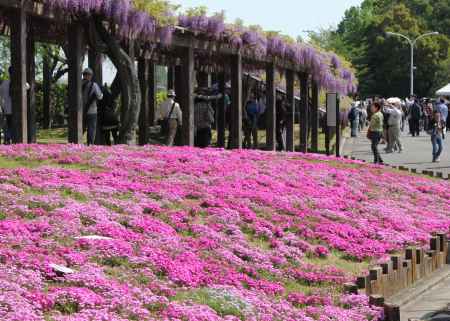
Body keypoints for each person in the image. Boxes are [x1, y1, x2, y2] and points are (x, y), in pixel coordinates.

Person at [82, 68, 103, 146]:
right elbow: (100, 96)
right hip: (92, 110)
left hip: (80, 111)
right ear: (90, 75)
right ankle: (90, 144)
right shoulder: (93, 85)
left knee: (81, 128)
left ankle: (76, 143)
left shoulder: (78, 84)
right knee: (91, 128)